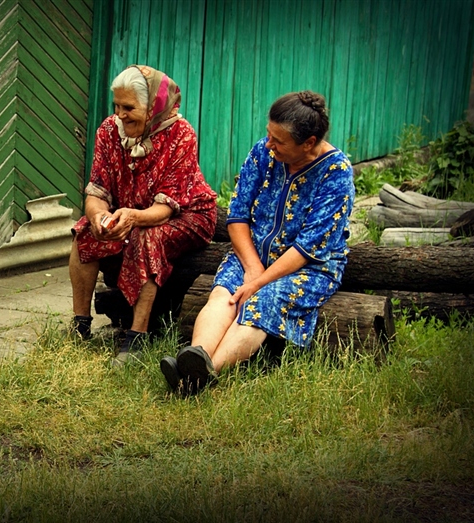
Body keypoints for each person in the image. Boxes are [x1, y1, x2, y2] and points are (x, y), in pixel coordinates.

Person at [160, 91, 355, 394]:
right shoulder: (263, 153)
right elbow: (237, 216)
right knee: (224, 294)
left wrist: (260, 282)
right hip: (252, 254)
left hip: (307, 268)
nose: (269, 144)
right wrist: (252, 268)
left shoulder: (336, 174)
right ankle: (194, 357)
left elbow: (308, 247)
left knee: (263, 300)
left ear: (308, 142)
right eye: (269, 134)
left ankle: (203, 376)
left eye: (279, 141)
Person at [68, 65, 217, 365]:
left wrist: (132, 218)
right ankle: (80, 325)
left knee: (148, 236)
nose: (120, 115)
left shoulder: (181, 134)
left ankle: (137, 338)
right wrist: (98, 217)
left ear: (154, 107)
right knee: (85, 230)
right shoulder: (110, 131)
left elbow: (165, 209)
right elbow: (97, 191)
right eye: (117, 106)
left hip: (187, 214)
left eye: (129, 107)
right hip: (133, 211)